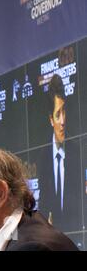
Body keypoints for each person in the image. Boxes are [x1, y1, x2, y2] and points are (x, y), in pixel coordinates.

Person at [37, 74, 82, 232]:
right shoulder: (43, 156)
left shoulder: (77, 152)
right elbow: (43, 203)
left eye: (64, 112)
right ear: (51, 120)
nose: (62, 121)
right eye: (58, 115)